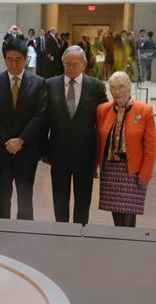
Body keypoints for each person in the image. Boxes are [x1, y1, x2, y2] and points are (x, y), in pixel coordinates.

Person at [43, 45, 108, 225]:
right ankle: (62, 233)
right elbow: (44, 120)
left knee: (83, 200)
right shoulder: (50, 85)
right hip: (58, 153)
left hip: (85, 154)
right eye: (66, 64)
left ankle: (81, 232)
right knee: (59, 199)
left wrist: (100, 155)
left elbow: (104, 120)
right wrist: (44, 150)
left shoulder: (96, 86)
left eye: (74, 64)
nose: (70, 68)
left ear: (84, 64)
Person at [0, 38, 46, 220]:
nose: (13, 63)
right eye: (9, 59)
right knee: (3, 197)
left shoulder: (38, 82)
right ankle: (2, 234)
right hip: (1, 150)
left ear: (25, 59)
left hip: (27, 150)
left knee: (25, 196)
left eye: (18, 59)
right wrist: (7, 140)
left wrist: (20, 140)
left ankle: (24, 235)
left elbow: (40, 115)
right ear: (4, 59)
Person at [96, 71, 156, 227]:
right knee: (115, 212)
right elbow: (98, 140)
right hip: (110, 170)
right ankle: (119, 243)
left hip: (132, 170)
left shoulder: (145, 111)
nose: (117, 92)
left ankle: (128, 245)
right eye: (113, 88)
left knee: (129, 214)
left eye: (121, 86)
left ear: (129, 87)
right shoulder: (102, 110)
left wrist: (146, 173)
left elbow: (151, 147)